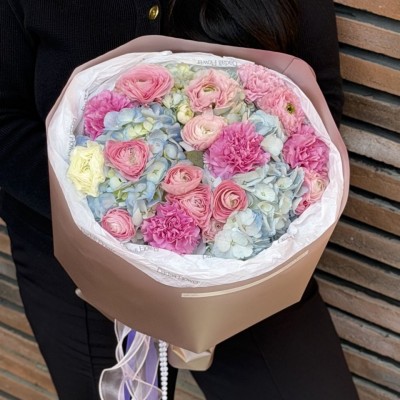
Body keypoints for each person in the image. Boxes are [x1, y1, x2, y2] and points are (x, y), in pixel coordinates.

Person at [0, 0, 359, 399]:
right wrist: (114, 218)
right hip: (79, 261)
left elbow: (318, 102)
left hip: (244, 258)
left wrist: (232, 228)